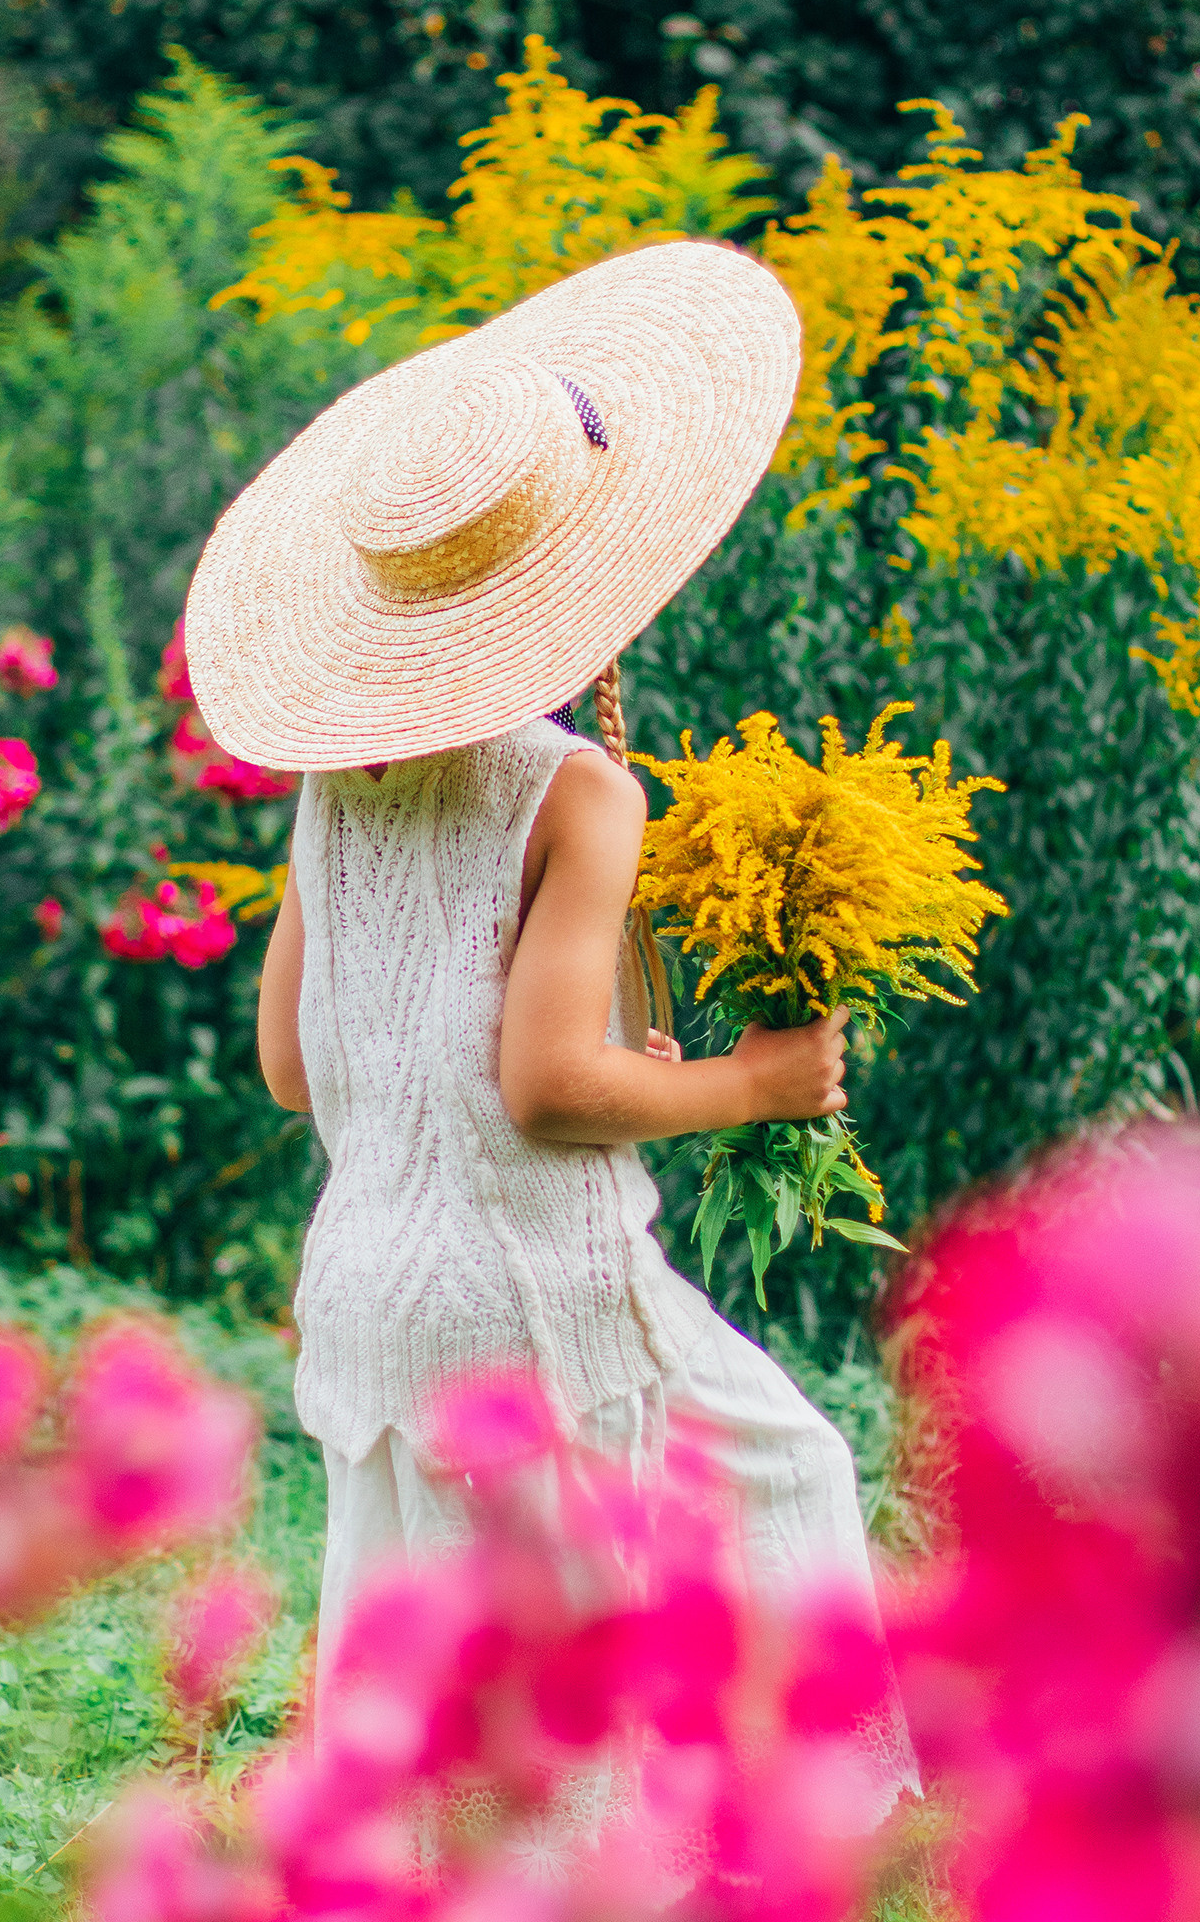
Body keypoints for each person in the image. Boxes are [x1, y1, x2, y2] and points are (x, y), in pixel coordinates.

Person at [183, 240, 895, 1696]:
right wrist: (757, 1082)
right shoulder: (577, 792)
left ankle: (456, 1901)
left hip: (374, 1291)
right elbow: (552, 1090)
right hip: (525, 1293)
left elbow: (285, 1064)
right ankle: (711, 1858)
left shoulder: (342, 784)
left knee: (452, 1651)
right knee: (788, 1484)